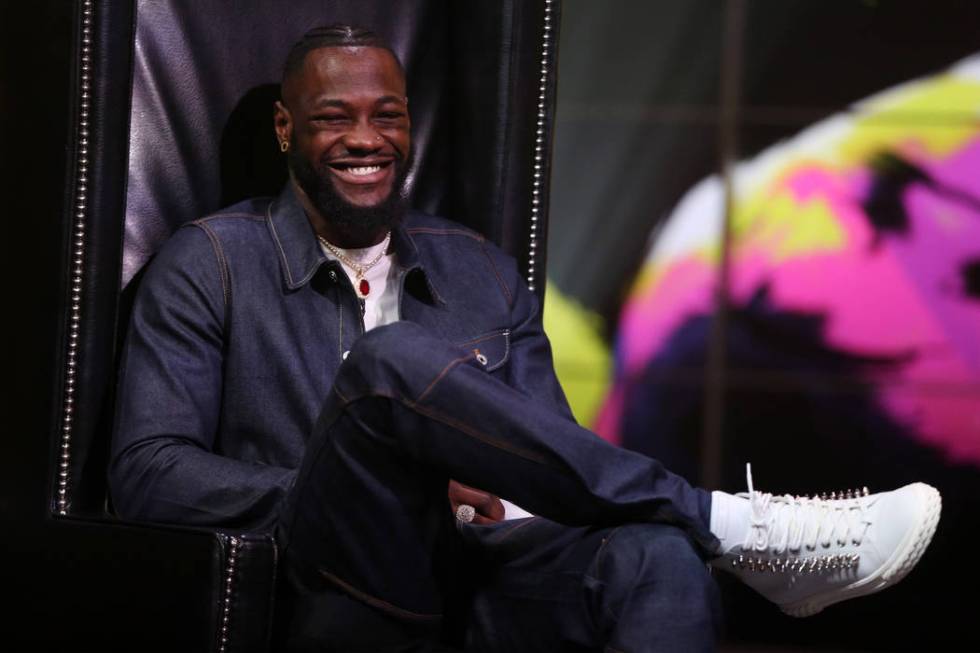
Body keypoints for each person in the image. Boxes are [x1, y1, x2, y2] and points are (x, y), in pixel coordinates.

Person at [109, 24, 941, 653]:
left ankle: (698, 532)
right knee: (390, 362)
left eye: (386, 115)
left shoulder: (482, 270)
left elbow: (560, 469)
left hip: (487, 583)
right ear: (288, 131)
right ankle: (734, 524)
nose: (366, 137)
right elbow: (147, 474)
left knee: (656, 555)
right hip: (338, 584)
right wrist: (381, 491)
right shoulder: (210, 261)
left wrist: (506, 509)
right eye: (334, 117)